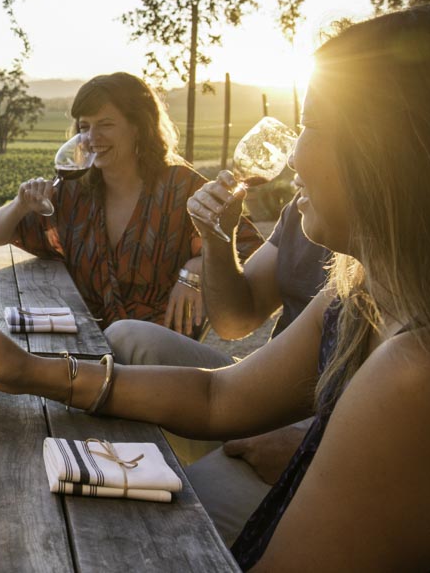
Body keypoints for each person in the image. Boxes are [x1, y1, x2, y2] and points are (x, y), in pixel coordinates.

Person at [0, 5, 430, 570]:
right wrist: (30, 371)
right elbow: (220, 397)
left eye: (311, 126)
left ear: (394, 155)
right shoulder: (358, 294)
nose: (290, 157)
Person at [108, 183, 332, 544]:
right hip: (271, 385)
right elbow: (235, 321)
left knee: (173, 518)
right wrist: (216, 238)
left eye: (311, 126)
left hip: (326, 426)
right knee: (125, 338)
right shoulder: (303, 206)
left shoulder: (410, 236)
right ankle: (103, 471)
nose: (291, 156)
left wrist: (310, 447)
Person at [0, 72, 263, 331]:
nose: (92, 137)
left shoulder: (181, 187)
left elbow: (249, 248)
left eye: (106, 124)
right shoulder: (73, 192)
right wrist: (21, 204)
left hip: (156, 349)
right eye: (85, 126)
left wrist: (195, 271)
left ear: (138, 127)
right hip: (86, 342)